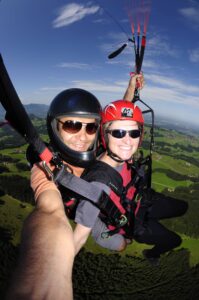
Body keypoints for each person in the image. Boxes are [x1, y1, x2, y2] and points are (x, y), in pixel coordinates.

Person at [6, 74, 142, 300]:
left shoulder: (95, 144)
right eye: (71, 125)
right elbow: (49, 210)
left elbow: (115, 119)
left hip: (102, 197)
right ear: (55, 127)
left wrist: (130, 91)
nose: (82, 137)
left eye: (90, 128)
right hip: (88, 218)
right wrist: (49, 268)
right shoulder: (45, 168)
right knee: (120, 245)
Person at [73, 99, 188, 265]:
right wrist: (120, 242)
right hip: (134, 223)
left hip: (142, 199)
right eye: (119, 133)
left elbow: (118, 115)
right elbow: (80, 238)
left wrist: (132, 86)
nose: (128, 141)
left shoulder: (117, 153)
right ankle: (151, 254)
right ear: (105, 134)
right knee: (174, 241)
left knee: (183, 207)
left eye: (134, 133)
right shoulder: (98, 184)